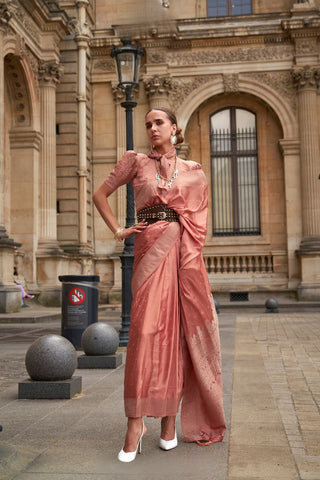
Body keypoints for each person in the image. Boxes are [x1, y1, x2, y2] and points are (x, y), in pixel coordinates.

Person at [93, 107, 226, 462]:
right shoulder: (135, 162)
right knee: (145, 332)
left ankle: (169, 423)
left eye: (158, 123)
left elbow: (199, 216)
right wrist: (119, 231)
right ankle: (135, 423)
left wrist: (189, 253)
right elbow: (98, 195)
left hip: (184, 256)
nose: (152, 128)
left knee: (179, 335)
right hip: (149, 249)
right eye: (148, 124)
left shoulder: (193, 171)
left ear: (174, 129)